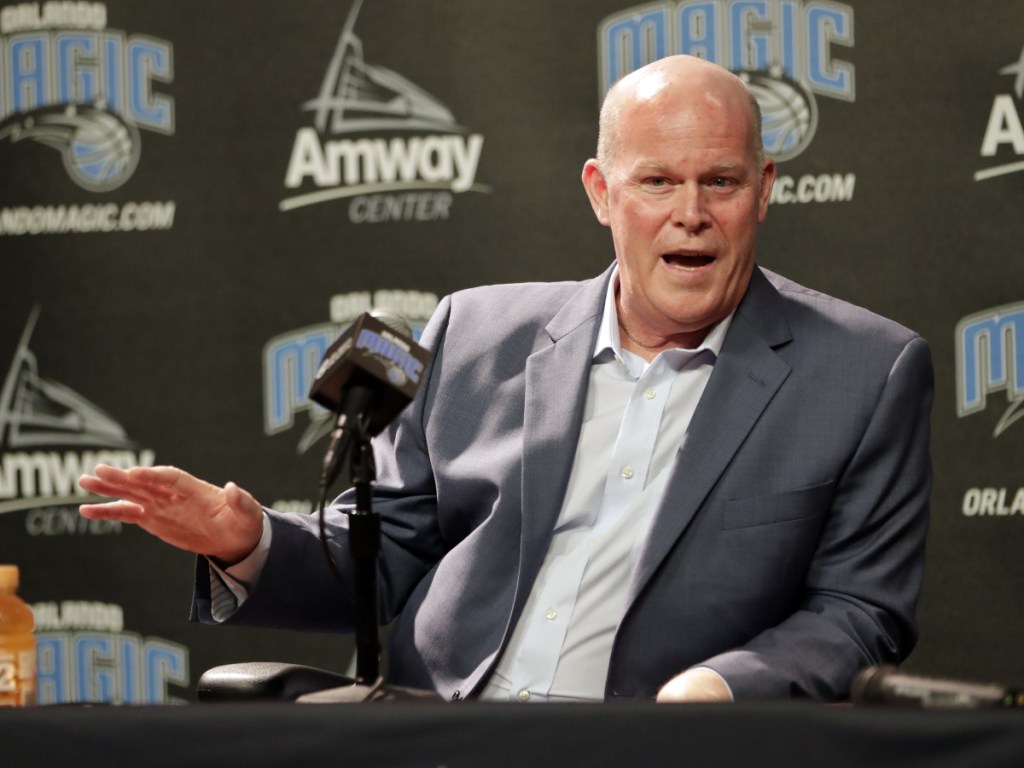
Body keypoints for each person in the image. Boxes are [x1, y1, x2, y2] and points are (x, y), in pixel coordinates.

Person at [79, 55, 933, 703]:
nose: (691, 214)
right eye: (658, 182)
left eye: (721, 182)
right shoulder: (476, 333)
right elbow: (387, 555)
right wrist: (245, 536)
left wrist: (720, 688)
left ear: (765, 190)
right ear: (602, 193)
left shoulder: (863, 371)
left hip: (656, 749)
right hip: (437, 733)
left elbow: (859, 613)